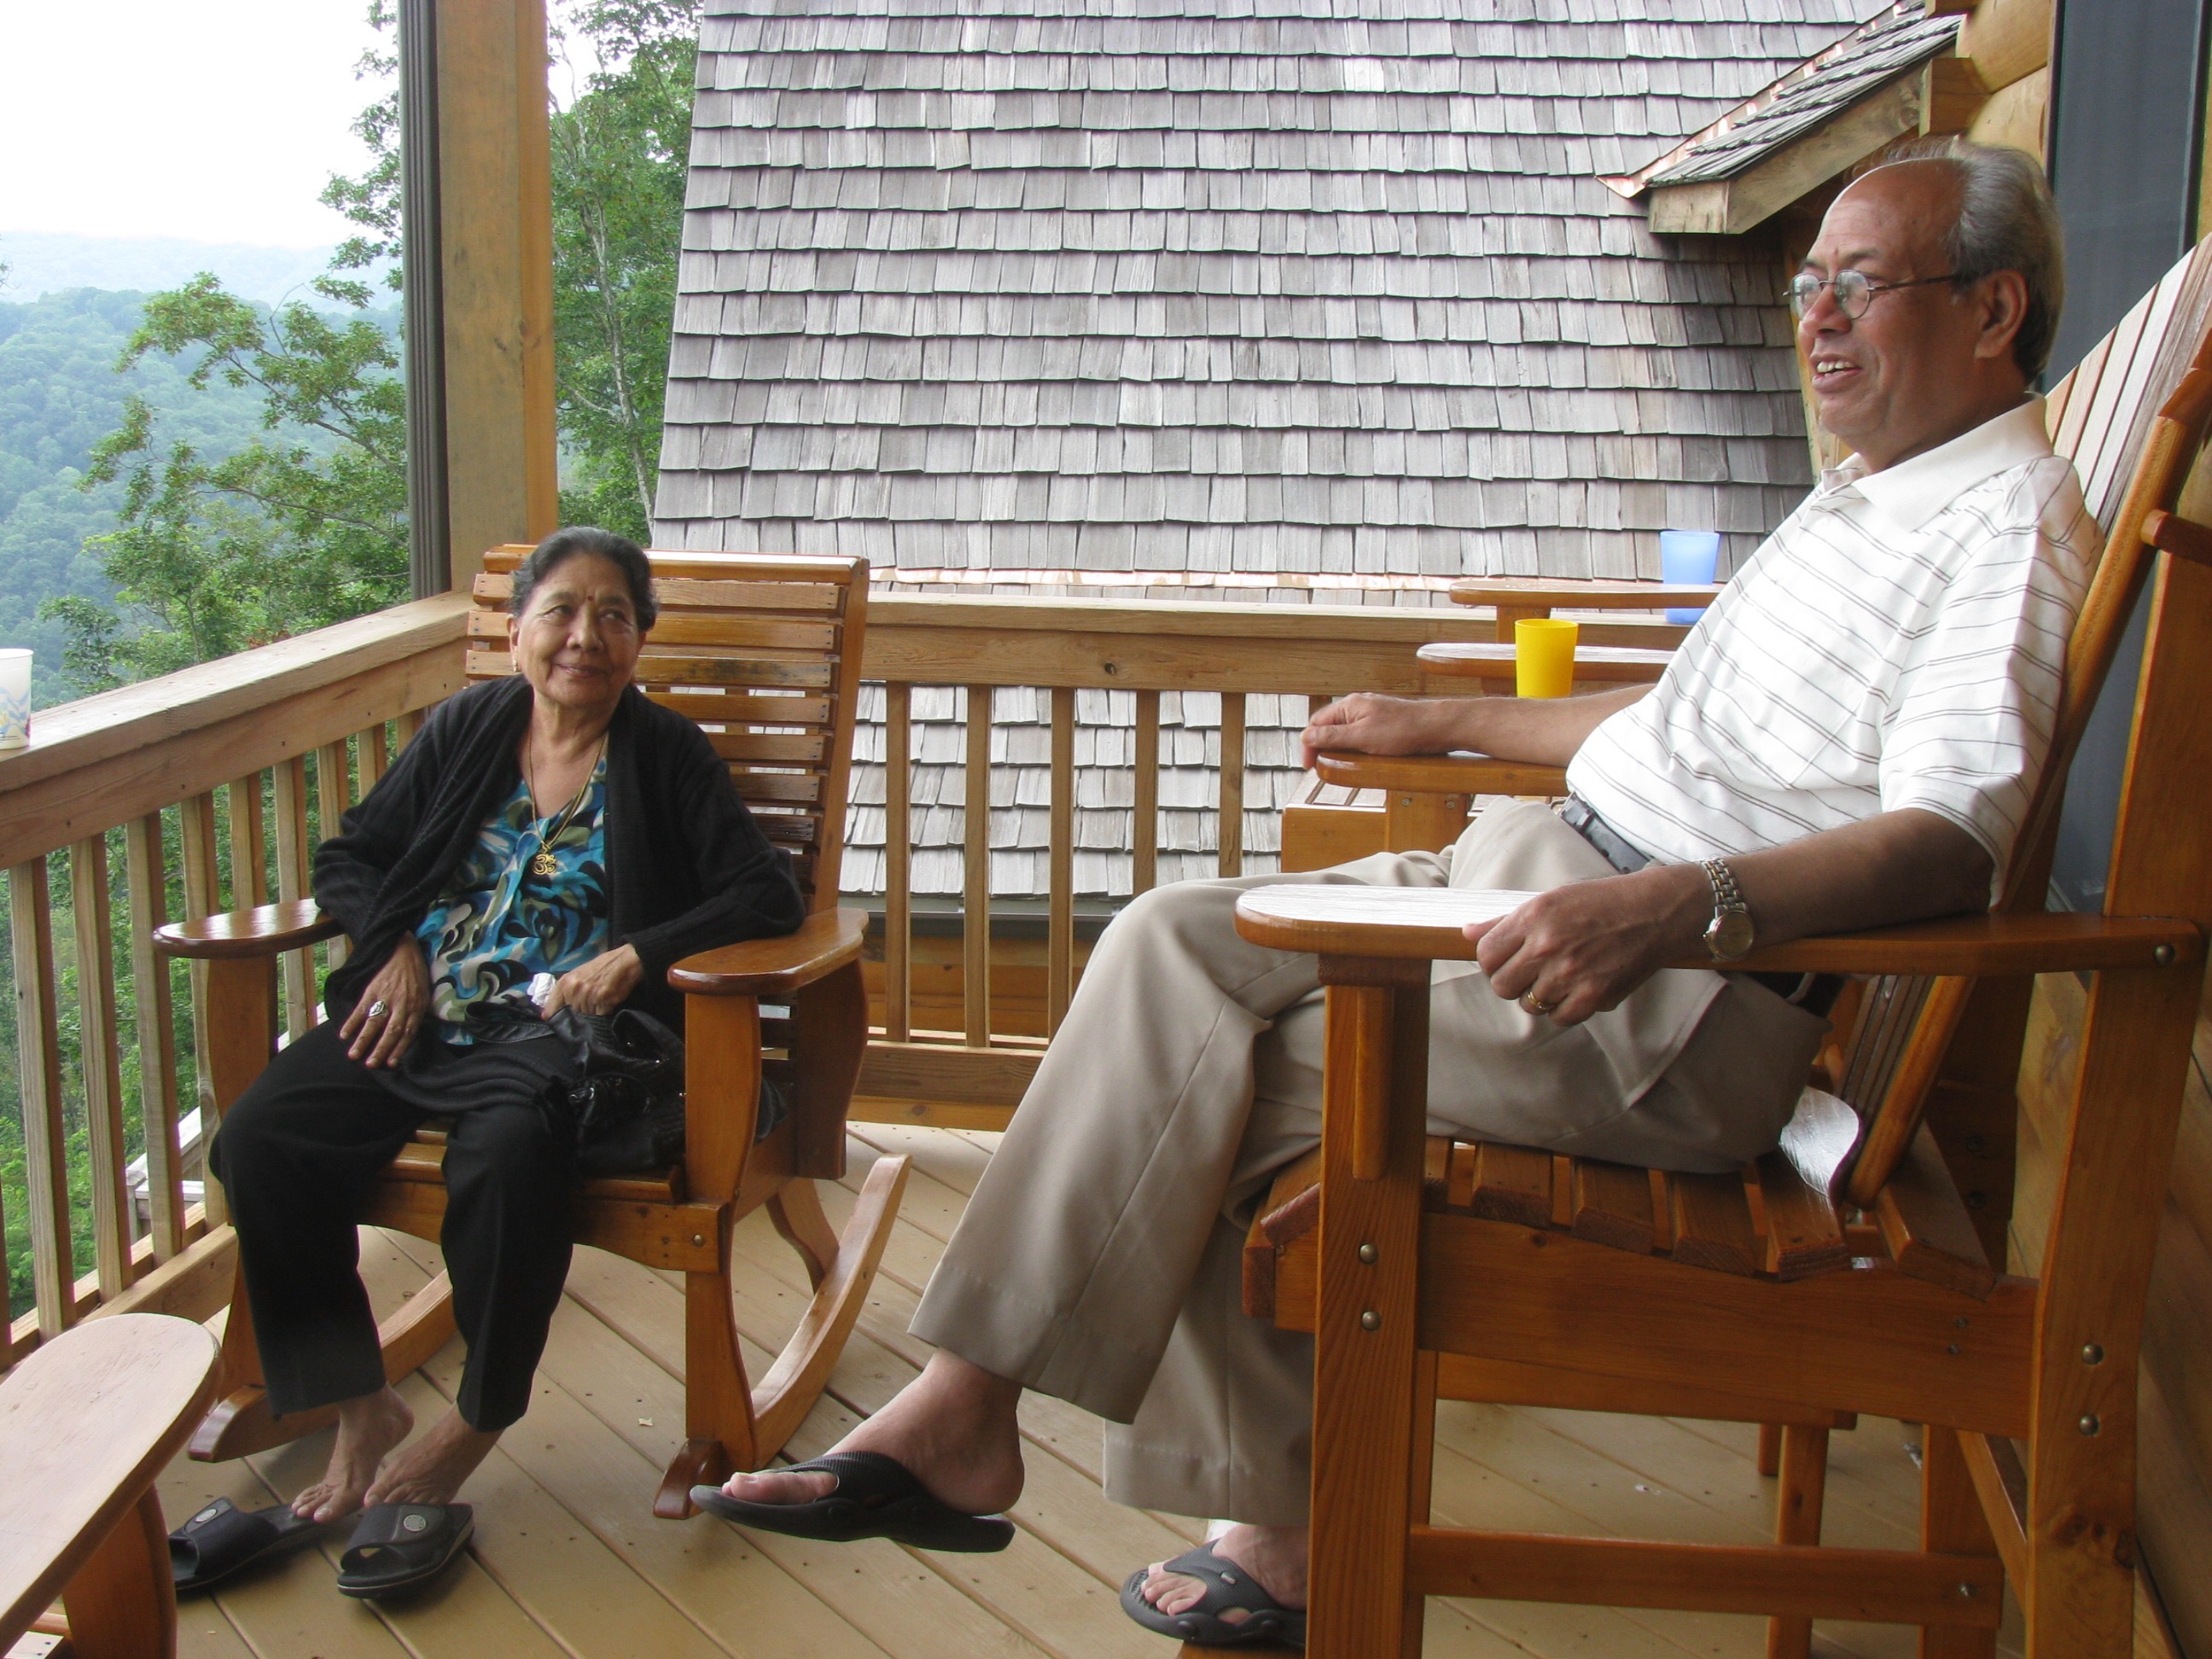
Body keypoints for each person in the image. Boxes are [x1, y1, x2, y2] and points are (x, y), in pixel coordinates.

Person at [699, 138, 2093, 1647]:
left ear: (1991, 308)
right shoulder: (1865, 497)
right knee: (1167, 937)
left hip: (1665, 995)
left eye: (1859, 284)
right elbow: (1677, 725)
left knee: (1219, 1068)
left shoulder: (2002, 523)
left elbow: (1950, 837)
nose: (1814, 314)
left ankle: (1089, 1455)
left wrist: (1673, 907)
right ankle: (1047, 1434)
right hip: (1548, 879)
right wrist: (1448, 722)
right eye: (1808, 282)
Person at [199, 527, 804, 1597]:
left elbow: (764, 893)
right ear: (519, 630)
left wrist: (637, 953)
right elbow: (354, 855)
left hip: (553, 1038)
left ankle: (477, 1418)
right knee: (260, 1140)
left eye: (613, 615)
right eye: (561, 611)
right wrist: (391, 943)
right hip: (415, 1017)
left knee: (509, 1157)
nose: (585, 637)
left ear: (640, 640)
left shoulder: (664, 754)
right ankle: (360, 1404)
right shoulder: (468, 727)